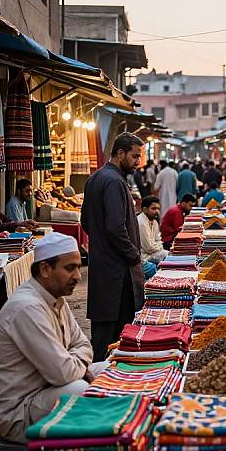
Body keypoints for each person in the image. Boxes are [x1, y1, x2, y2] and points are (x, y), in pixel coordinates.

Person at [0, 232, 107, 443]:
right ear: (45, 269)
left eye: (79, 267)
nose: (78, 275)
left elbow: (83, 344)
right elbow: (61, 373)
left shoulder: (56, 299)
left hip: (47, 389)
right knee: (80, 390)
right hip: (18, 413)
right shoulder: (27, 307)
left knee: (108, 369)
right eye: (70, 268)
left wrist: (76, 367)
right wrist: (79, 370)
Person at [81, 132, 145, 362]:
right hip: (117, 273)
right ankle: (105, 384)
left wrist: (100, 246)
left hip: (103, 267)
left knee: (102, 332)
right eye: (135, 156)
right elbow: (116, 228)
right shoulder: (115, 181)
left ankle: (98, 377)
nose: (138, 162)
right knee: (115, 333)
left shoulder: (96, 178)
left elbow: (85, 223)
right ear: (120, 153)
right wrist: (133, 254)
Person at [137, 195, 168, 265]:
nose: (157, 211)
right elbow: (149, 248)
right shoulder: (142, 223)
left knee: (170, 255)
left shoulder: (154, 221)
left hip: (154, 252)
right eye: (153, 208)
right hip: (145, 257)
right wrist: (159, 246)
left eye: (158, 208)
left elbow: (158, 239)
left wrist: (158, 246)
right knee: (168, 256)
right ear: (145, 209)